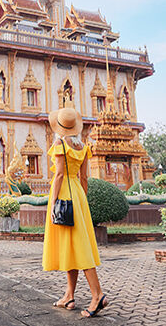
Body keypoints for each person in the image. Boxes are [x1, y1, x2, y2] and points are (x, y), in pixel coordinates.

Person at [42, 107, 109, 318]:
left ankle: (97, 295)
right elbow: (84, 178)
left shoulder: (60, 144)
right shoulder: (83, 146)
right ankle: (69, 295)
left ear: (59, 127)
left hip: (63, 195)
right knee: (72, 245)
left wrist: (53, 203)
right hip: (78, 196)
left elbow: (60, 175)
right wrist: (83, 202)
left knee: (79, 247)